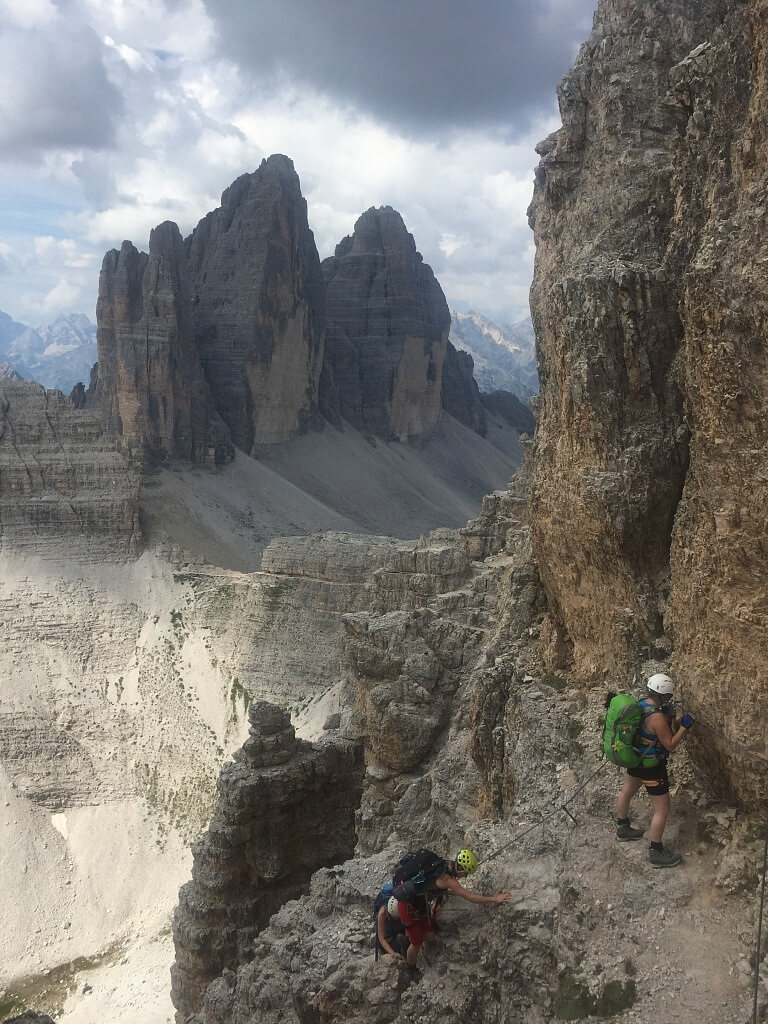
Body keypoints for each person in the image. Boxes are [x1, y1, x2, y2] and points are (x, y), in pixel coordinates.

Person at [615, 673, 694, 868]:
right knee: (662, 809)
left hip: (635, 759)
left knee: (627, 791)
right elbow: (669, 744)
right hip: (652, 767)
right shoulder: (657, 717)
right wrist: (684, 727)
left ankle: (622, 827)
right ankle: (656, 851)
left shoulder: (640, 705)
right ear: (663, 695)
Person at [397, 849, 512, 978]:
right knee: (416, 943)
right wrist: (495, 899)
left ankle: (407, 937)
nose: (466, 876)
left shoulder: (443, 864)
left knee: (430, 937)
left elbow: (431, 884)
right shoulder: (448, 879)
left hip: (419, 905)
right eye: (466, 872)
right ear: (461, 867)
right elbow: (471, 898)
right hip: (408, 907)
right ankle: (410, 967)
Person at [376, 895, 409, 960]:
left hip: (400, 935)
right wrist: (394, 954)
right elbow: (382, 939)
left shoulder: (405, 910)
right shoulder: (382, 914)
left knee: (402, 938)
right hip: (388, 939)